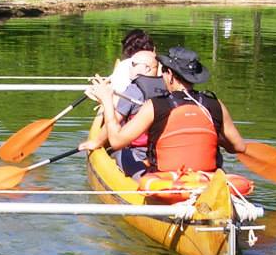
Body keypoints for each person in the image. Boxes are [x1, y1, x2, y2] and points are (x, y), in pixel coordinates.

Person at [79, 46, 247, 179]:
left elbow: (116, 141)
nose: (162, 75)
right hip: (205, 177)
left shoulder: (154, 106)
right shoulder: (215, 104)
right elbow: (238, 146)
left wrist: (107, 101)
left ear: (171, 75)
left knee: (121, 153)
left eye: (164, 71)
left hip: (165, 179)